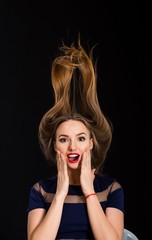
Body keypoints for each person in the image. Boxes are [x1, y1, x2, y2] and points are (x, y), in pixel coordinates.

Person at [26, 37, 124, 240]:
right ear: (55, 146)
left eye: (80, 139)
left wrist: (88, 189)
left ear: (91, 143)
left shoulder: (111, 188)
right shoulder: (41, 190)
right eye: (63, 139)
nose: (72, 147)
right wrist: (60, 192)